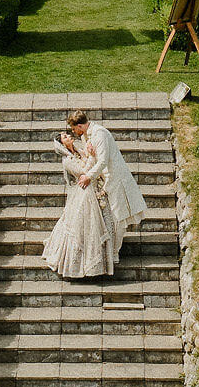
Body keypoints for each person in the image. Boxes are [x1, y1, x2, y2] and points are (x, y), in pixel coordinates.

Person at [41, 127, 117, 278]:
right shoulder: (67, 160)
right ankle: (84, 263)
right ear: (62, 144)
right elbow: (82, 172)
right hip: (83, 192)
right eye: (64, 137)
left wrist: (90, 154)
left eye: (67, 135)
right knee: (85, 226)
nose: (68, 136)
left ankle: (106, 258)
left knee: (102, 221)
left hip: (93, 188)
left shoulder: (79, 151)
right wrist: (92, 157)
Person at [69, 109, 147, 240]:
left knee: (119, 216)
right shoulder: (86, 136)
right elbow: (93, 157)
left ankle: (115, 252)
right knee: (111, 215)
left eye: (73, 129)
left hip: (115, 177)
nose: (73, 132)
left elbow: (103, 161)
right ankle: (113, 250)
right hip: (105, 178)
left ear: (80, 126)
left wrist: (88, 177)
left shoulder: (100, 134)